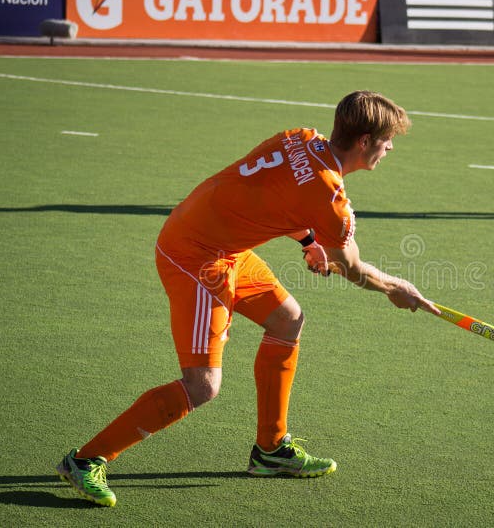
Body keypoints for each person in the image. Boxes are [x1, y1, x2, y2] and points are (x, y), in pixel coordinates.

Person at [56, 90, 440, 507]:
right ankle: (87, 458)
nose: (391, 148)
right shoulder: (331, 200)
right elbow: (351, 268)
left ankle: (270, 451)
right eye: (387, 140)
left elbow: (270, 195)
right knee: (202, 386)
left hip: (221, 245)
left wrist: (310, 241)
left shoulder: (300, 138)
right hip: (195, 256)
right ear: (364, 141)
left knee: (287, 320)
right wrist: (397, 289)